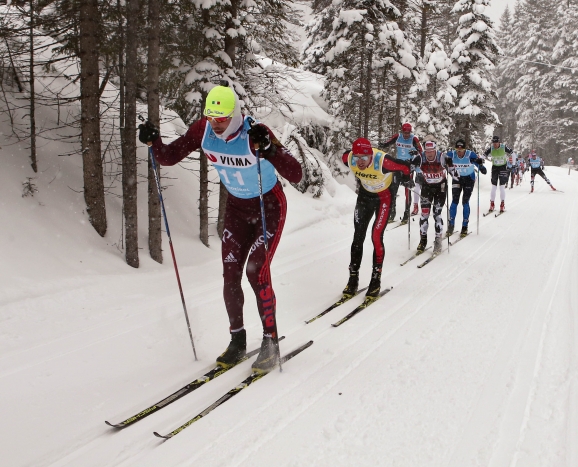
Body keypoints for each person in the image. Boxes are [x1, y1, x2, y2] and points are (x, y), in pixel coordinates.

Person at [138, 85, 303, 374]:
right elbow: (168, 156)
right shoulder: (202, 130)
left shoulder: (255, 133)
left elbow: (296, 173)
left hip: (268, 206)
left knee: (256, 271)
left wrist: (270, 149)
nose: (216, 124)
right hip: (237, 209)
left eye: (222, 118)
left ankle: (270, 341)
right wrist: (154, 142)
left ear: (235, 115)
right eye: (211, 117)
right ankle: (237, 340)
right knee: (230, 274)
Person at [341, 138, 411, 299]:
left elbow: (405, 167)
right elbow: (346, 157)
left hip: (384, 198)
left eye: (364, 158)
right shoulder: (348, 158)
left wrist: (406, 179)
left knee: (376, 236)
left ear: (371, 155)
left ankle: (375, 278)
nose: (359, 162)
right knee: (358, 237)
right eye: (356, 157)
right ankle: (353, 278)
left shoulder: (384, 161)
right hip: (365, 197)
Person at [379, 123, 424, 222]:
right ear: (402, 131)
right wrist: (383, 145)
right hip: (398, 165)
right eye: (405, 132)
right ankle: (392, 213)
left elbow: (422, 152)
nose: (406, 135)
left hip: (408, 167)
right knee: (393, 190)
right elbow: (388, 142)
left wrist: (415, 153)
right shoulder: (398, 136)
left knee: (407, 191)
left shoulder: (414, 139)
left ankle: (406, 214)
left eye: (408, 133)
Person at [445, 139, 487, 238]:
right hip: (457, 178)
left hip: (469, 179)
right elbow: (442, 160)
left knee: (465, 201)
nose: (459, 152)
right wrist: (446, 162)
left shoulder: (470, 154)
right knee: (454, 201)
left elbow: (477, 162)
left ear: (465, 149)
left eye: (461, 150)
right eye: (458, 150)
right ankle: (451, 225)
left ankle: (464, 226)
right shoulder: (451, 154)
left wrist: (481, 166)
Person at [414, 139, 448, 254]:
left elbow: (452, 167)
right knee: (424, 214)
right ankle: (423, 241)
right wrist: (409, 177)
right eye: (427, 151)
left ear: (435, 150)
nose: (429, 153)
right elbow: (409, 167)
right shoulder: (420, 157)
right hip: (427, 187)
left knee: (437, 214)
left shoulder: (442, 157)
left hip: (440, 188)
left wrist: (452, 170)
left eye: (431, 151)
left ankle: (438, 241)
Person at [484, 135, 513, 213]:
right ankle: (492, 204)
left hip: (503, 167)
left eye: (496, 143)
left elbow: (512, 152)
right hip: (495, 168)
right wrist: (480, 160)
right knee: (493, 186)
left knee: (502, 187)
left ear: (499, 142)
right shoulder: (491, 148)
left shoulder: (504, 147)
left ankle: (502, 204)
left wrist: (511, 161)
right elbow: (484, 155)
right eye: (494, 143)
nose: (495, 145)